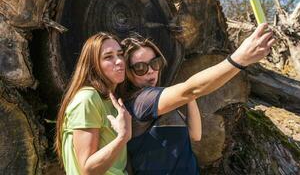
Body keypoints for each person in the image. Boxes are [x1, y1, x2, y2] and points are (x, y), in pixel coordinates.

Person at [119, 23, 275, 175]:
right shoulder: (141, 101)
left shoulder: (158, 101)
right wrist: (239, 59)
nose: (151, 71)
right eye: (140, 67)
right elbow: (191, 88)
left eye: (155, 63)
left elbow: (195, 134)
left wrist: (188, 97)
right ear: (127, 73)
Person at [55, 32, 132, 175]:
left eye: (120, 54)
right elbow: (88, 169)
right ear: (93, 64)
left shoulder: (109, 99)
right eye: (108, 57)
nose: (119, 61)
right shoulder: (87, 99)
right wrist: (124, 136)